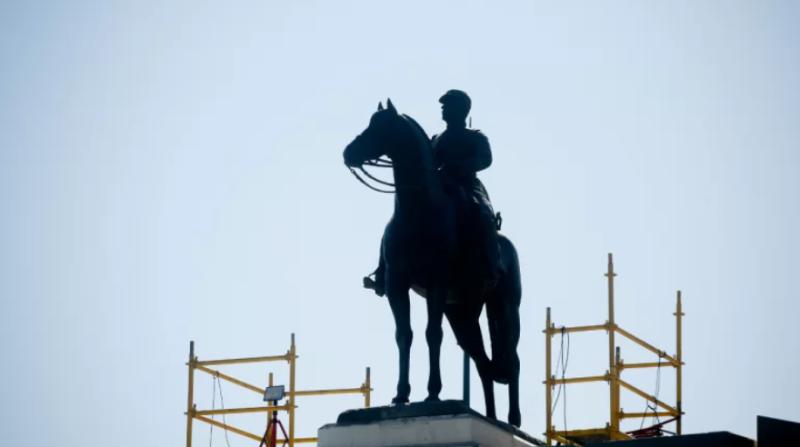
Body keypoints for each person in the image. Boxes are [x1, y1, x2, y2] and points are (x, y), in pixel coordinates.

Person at [364, 90, 502, 296]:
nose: (444, 109)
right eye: (443, 106)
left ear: (462, 110)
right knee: (399, 220)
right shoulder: (436, 139)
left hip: (467, 186)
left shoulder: (475, 136)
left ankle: (490, 265)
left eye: (448, 106)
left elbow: (485, 159)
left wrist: (458, 167)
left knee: (481, 214)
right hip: (440, 185)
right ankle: (383, 273)